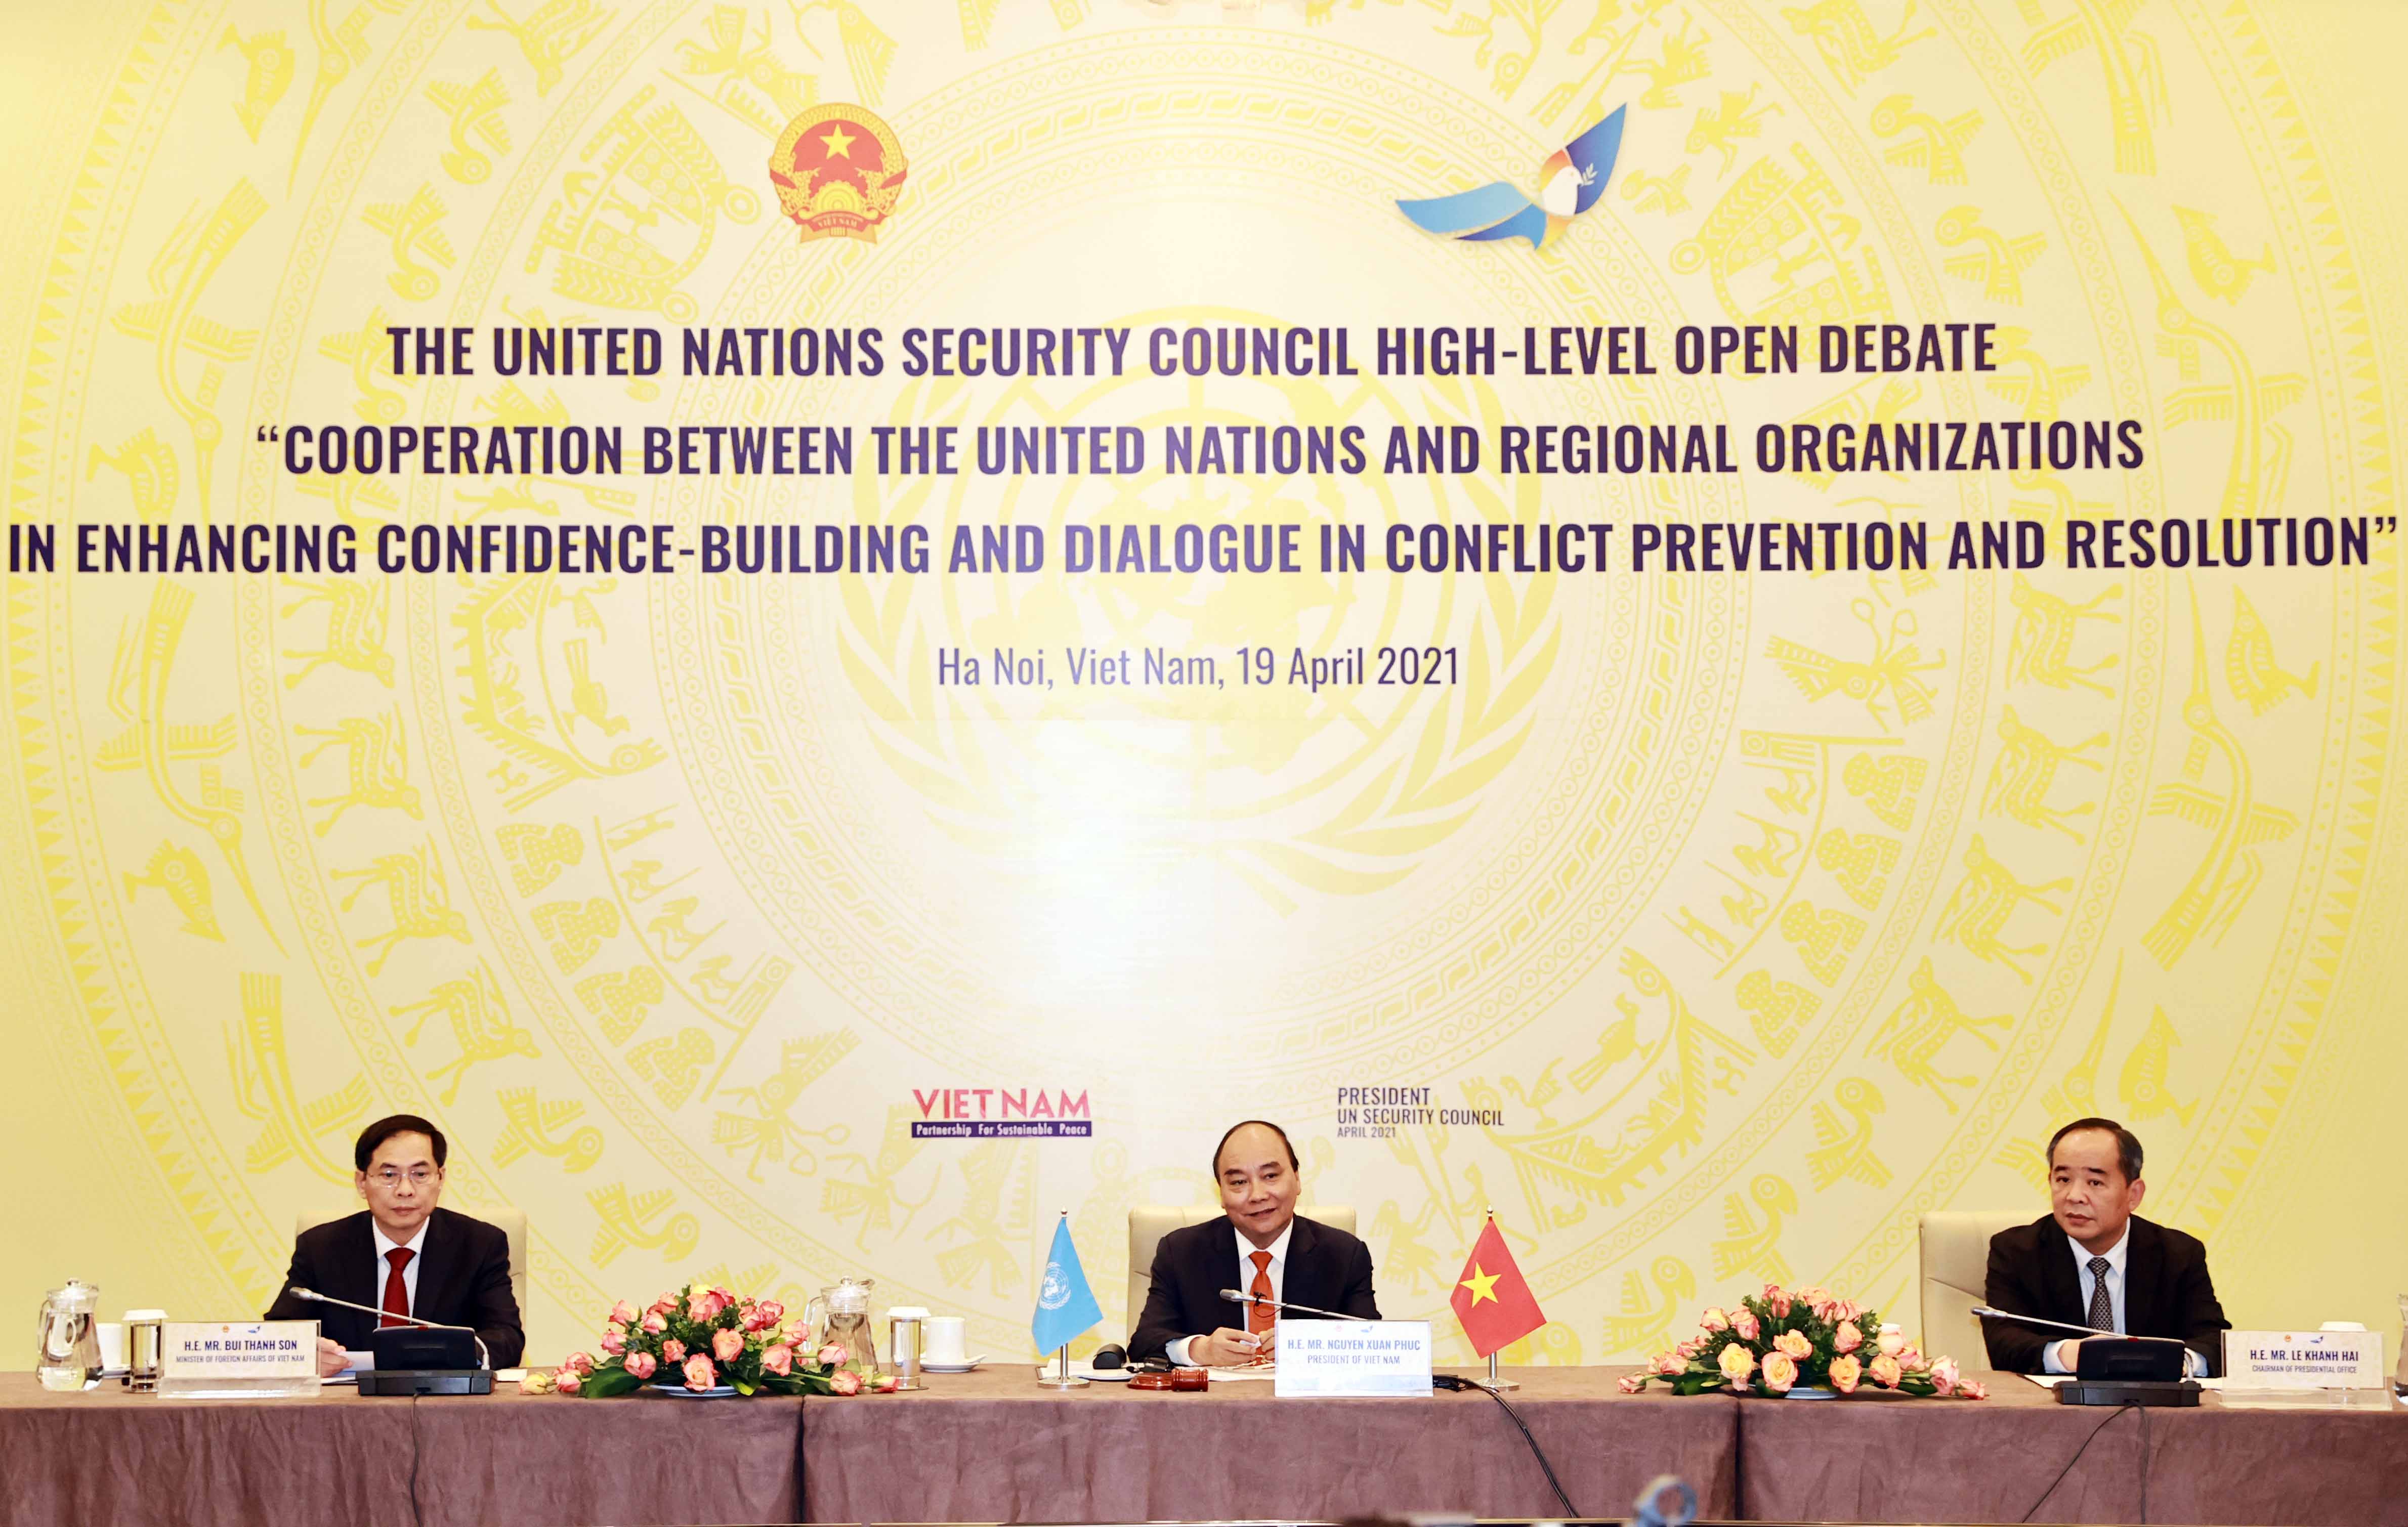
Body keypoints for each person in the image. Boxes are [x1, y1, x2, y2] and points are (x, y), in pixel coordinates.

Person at [265, 1114, 525, 1377]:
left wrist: (457, 1353)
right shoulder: (321, 1248)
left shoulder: (479, 1245)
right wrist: (306, 1355)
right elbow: (278, 1336)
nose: (405, 1190)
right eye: (389, 1175)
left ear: (441, 1178)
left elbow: (507, 1337)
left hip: (444, 1396)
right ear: (362, 1183)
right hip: (350, 1398)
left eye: (420, 1174)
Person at [1983, 1116, 2228, 1375]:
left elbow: (2215, 1341)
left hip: (2153, 1400)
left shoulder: (2179, 1254)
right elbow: (2003, 1343)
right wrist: (2067, 1354)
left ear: (2133, 1194)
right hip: (2055, 1401)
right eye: (2063, 1180)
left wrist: (2179, 1362)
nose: (2074, 1196)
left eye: (2095, 1183)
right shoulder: (2016, 1252)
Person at [1131, 1120, 1379, 1366]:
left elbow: (1373, 1344)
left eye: (1270, 1176)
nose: (1257, 1195)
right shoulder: (1181, 1253)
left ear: (1297, 1179)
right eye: (1239, 1182)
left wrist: (1308, 1345)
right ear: (1221, 1193)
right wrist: (1200, 1350)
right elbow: (1144, 1343)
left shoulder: (1343, 1255)